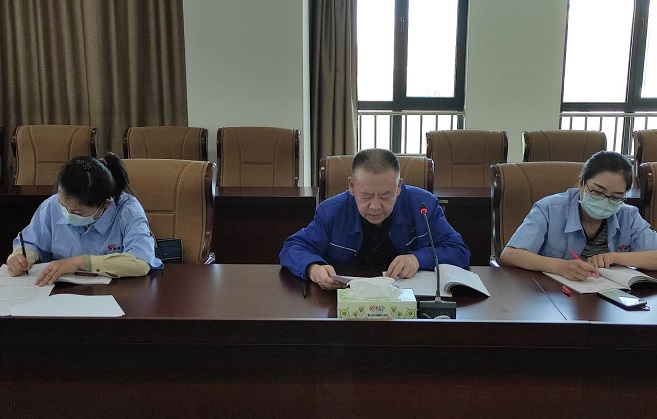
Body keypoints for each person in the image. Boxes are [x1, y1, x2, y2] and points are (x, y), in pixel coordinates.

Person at [280, 148, 471, 290]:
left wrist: (418, 259)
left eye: (385, 196)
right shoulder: (332, 211)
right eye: (367, 196)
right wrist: (313, 268)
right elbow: (293, 247)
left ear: (398, 187)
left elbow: (459, 250)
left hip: (407, 303)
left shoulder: (423, 205)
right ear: (352, 186)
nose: (375, 206)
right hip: (346, 301)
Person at [6, 153, 162, 286]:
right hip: (63, 295)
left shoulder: (128, 210)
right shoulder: (52, 205)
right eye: (63, 206)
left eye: (77, 212)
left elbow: (140, 262)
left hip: (117, 294)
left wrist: (80, 262)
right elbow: (32, 243)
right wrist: (20, 257)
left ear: (105, 204)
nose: (67, 214)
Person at [500, 150, 657, 280]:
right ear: (581, 183)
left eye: (616, 197)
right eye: (597, 192)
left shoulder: (628, 215)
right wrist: (560, 266)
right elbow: (510, 255)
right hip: (553, 296)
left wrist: (614, 257)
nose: (605, 201)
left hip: (609, 296)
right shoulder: (550, 209)